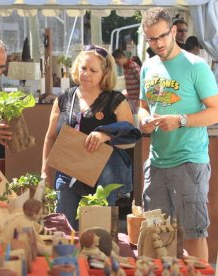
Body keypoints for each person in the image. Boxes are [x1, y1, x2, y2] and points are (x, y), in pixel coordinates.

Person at [139, 7, 218, 261]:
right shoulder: (148, 67)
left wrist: (181, 120)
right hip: (157, 162)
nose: (158, 43)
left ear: (173, 31)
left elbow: (216, 111)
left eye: (162, 36)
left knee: (194, 234)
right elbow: (141, 108)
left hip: (189, 163)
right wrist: (143, 122)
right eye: (151, 39)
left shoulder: (196, 66)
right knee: (156, 233)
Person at [41, 45, 136, 231]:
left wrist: (105, 134)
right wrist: (45, 170)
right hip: (67, 173)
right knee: (64, 229)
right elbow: (51, 137)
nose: (86, 74)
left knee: (97, 232)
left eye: (93, 70)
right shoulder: (63, 99)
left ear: (105, 73)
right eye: (83, 68)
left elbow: (130, 136)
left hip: (102, 176)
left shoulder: (116, 100)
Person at [112, 49, 141, 114]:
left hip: (136, 98)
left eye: (117, 61)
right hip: (131, 98)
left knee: (136, 118)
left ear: (122, 57)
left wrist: (140, 98)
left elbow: (141, 82)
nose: (117, 64)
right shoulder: (125, 67)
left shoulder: (133, 65)